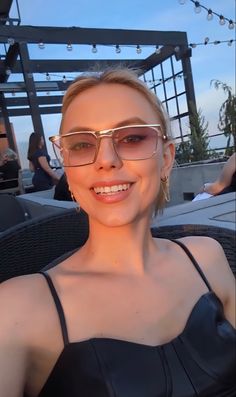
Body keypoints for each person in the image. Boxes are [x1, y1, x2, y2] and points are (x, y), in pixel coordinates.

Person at [0, 68, 235, 397]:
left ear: (166, 159)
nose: (106, 160)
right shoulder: (17, 310)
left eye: (132, 138)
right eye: (82, 144)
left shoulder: (207, 256)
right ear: (67, 167)